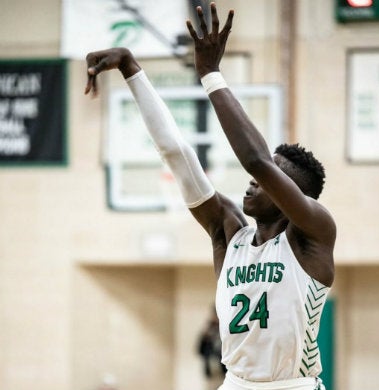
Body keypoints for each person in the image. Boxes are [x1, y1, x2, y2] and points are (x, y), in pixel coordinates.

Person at [85, 3, 336, 390]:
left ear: (292, 195)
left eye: (274, 177)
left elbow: (254, 161)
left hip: (293, 385)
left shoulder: (312, 236)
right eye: (262, 176)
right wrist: (133, 71)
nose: (254, 183)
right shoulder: (229, 233)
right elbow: (179, 156)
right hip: (234, 383)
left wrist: (210, 74)